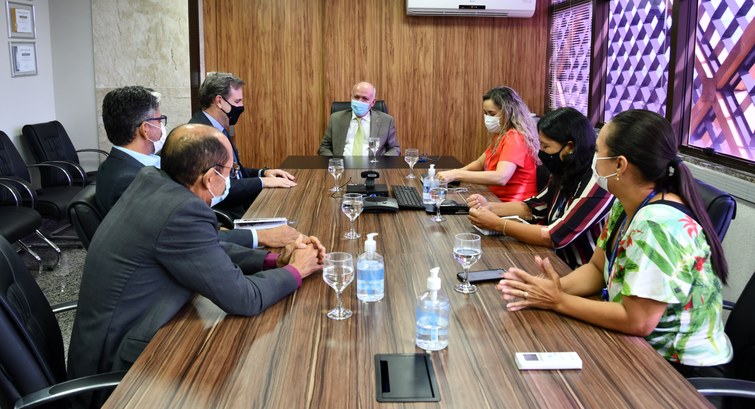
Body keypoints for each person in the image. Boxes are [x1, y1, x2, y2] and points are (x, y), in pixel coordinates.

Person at [67, 124, 325, 408]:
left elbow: (205, 247)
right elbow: (244, 299)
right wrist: (297, 270)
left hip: (113, 335)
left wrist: (274, 259)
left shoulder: (152, 181)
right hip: (123, 363)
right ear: (210, 178)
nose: (230, 178)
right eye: (229, 171)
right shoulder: (182, 210)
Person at [498, 109, 732, 379]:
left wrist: (558, 300)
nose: (593, 159)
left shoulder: (658, 224)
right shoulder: (625, 205)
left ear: (620, 165)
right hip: (636, 348)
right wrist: (553, 287)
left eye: (598, 151)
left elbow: (638, 321)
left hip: (678, 371)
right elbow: (597, 269)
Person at [97, 85, 297, 248]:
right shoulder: (131, 181)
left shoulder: (120, 165)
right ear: (146, 129)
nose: (162, 126)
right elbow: (185, 239)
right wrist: (258, 236)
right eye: (159, 120)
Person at [466, 107, 614, 268]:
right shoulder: (564, 169)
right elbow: (534, 207)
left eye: (545, 146)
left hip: (577, 270)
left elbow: (555, 236)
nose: (540, 152)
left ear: (570, 147)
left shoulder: (596, 184)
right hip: (552, 259)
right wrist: (489, 206)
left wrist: (498, 225)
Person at [189, 72, 297, 219]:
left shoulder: (219, 127)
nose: (241, 106)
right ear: (219, 101)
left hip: (242, 203)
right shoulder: (201, 135)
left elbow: (234, 171)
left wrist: (263, 173)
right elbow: (219, 187)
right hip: (230, 212)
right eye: (238, 101)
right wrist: (262, 182)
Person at [437, 86, 539, 202]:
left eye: (492, 113)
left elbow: (501, 177)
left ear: (508, 112)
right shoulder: (500, 134)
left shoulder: (515, 137)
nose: (487, 118)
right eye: (485, 113)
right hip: (495, 199)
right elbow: (480, 163)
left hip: (512, 205)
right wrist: (453, 175)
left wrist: (457, 174)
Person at [318, 81, 400, 157]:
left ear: (373, 102)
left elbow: (394, 148)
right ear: (351, 98)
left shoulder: (386, 120)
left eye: (365, 98)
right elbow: (325, 147)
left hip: (373, 167)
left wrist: (381, 162)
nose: (359, 101)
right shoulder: (336, 118)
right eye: (356, 97)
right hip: (342, 167)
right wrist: (334, 162)